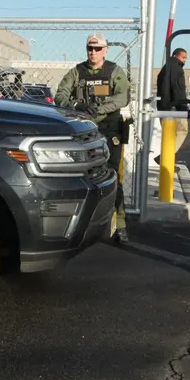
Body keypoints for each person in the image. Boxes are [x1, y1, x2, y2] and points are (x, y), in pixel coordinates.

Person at [55, 32, 132, 244]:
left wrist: (97, 109)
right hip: (83, 133)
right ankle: (82, 225)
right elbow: (60, 95)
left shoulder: (114, 71)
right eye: (90, 48)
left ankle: (121, 224)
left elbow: (123, 97)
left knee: (112, 176)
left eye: (98, 49)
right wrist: (77, 106)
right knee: (81, 178)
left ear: (105, 50)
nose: (93, 52)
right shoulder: (77, 72)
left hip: (108, 130)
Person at [155, 47, 190, 162]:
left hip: (163, 107)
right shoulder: (177, 69)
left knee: (168, 136)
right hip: (174, 107)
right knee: (182, 130)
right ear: (176, 56)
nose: (185, 60)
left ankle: (167, 160)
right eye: (183, 57)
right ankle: (165, 157)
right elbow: (178, 90)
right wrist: (183, 108)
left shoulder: (165, 68)